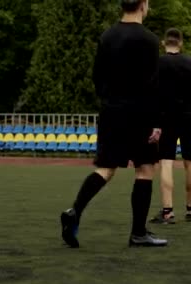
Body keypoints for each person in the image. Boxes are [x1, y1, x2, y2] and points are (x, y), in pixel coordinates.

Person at [60, 0, 167, 248]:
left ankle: (75, 211)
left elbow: (97, 76)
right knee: (145, 169)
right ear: (143, 5)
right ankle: (138, 233)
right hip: (140, 113)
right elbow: (153, 85)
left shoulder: (107, 36)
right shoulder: (150, 39)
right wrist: (156, 122)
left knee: (106, 168)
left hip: (112, 112)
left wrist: (110, 100)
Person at [149, 28, 191, 224]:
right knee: (190, 162)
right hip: (188, 116)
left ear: (164, 44)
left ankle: (167, 211)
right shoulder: (190, 62)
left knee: (166, 161)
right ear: (180, 43)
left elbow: (152, 93)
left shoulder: (158, 63)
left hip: (166, 117)